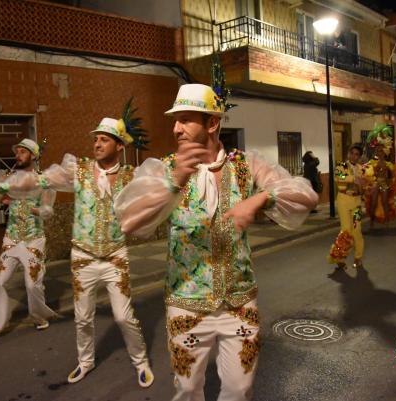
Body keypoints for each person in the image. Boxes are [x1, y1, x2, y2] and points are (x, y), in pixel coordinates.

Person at [114, 82, 318, 401]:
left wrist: (260, 198)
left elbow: (306, 194)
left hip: (239, 304)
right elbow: (128, 219)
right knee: (187, 390)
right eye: (175, 119)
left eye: (185, 119)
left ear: (212, 123)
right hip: (186, 305)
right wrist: (174, 181)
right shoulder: (165, 168)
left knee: (240, 390)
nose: (176, 127)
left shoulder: (245, 164)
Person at [0, 115, 154, 388]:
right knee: (83, 317)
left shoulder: (130, 175)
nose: (97, 144)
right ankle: (85, 362)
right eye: (95, 139)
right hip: (83, 257)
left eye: (104, 139)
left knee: (123, 316)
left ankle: (140, 360)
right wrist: (4, 185)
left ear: (119, 145)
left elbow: (159, 184)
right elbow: (41, 180)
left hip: (114, 258)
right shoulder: (80, 170)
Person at [0, 138, 57, 346]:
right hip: (11, 239)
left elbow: (48, 212)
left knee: (33, 285)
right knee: (0, 282)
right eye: (17, 152)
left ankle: (39, 316)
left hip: (33, 240)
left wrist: (29, 208)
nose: (18, 155)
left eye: (22, 152)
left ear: (32, 156)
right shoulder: (7, 178)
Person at [328, 144, 365, 271]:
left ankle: (358, 257)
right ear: (348, 154)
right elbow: (339, 176)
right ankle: (339, 259)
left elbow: (364, 184)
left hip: (357, 202)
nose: (354, 156)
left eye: (357, 154)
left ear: (359, 157)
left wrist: (363, 185)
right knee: (346, 230)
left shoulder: (361, 168)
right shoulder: (341, 165)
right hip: (343, 201)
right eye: (352, 153)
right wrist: (353, 179)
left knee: (357, 230)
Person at [363, 125, 396, 227]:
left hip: (384, 184)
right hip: (375, 183)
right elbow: (367, 173)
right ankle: (371, 221)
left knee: (384, 202)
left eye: (381, 151)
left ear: (384, 152)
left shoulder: (388, 165)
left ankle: (387, 221)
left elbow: (392, 176)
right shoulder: (372, 163)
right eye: (378, 151)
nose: (379, 153)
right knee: (374, 203)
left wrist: (390, 182)